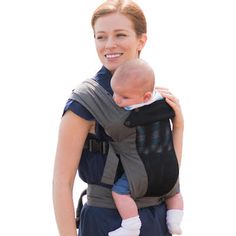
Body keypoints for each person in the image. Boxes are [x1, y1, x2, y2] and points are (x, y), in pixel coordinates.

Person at [52, 1, 184, 236]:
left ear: (141, 40)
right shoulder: (84, 102)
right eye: (100, 37)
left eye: (120, 34)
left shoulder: (154, 98)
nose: (109, 44)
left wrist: (179, 126)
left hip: (157, 218)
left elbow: (166, 165)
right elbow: (62, 184)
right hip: (106, 221)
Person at [109, 58, 184, 236]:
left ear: (146, 98)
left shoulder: (132, 114)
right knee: (174, 194)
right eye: (115, 93)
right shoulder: (165, 103)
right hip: (169, 170)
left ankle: (131, 225)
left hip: (143, 171)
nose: (117, 100)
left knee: (119, 192)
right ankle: (174, 222)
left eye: (124, 97)